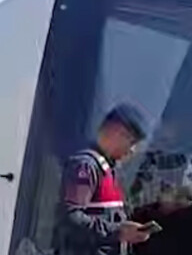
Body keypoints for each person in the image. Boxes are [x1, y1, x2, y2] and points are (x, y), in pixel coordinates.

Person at [54, 103, 152, 255]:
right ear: (115, 132)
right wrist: (118, 232)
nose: (132, 150)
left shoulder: (109, 169)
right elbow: (70, 220)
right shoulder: (85, 166)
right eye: (131, 142)